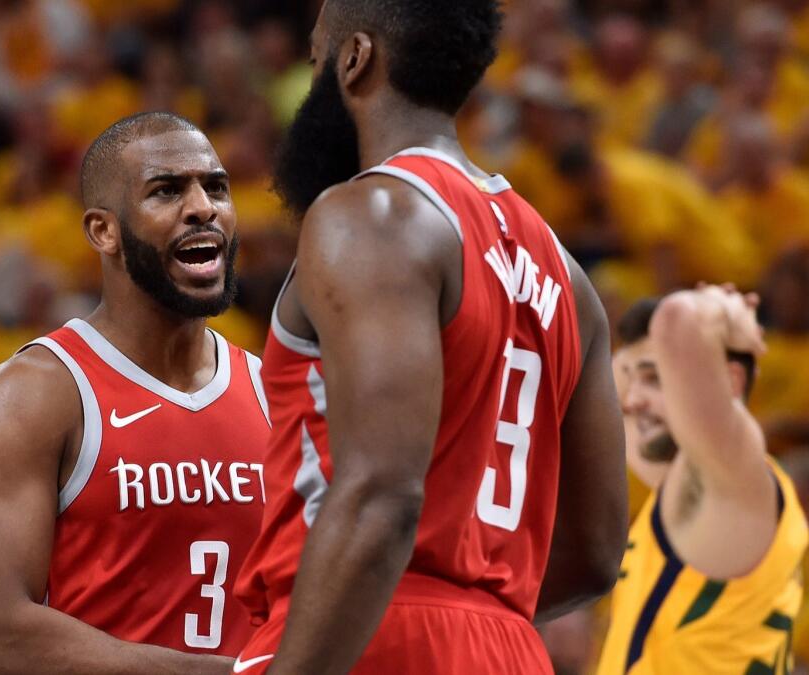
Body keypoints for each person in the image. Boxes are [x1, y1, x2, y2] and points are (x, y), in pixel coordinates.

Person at [233, 1, 628, 672]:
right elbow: (595, 551)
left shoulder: (371, 212)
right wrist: (469, 619)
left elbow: (383, 491)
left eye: (314, 60)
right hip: (508, 645)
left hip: (366, 629)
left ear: (354, 59)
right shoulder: (565, 273)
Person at [0, 112, 271, 674]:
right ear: (104, 231)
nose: (202, 207)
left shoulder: (273, 392)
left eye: (216, 187)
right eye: (167, 191)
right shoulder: (34, 395)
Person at [598, 289, 809, 674]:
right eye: (633, 380)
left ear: (731, 381)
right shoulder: (686, 496)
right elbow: (614, 399)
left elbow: (678, 319)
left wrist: (728, 312)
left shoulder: (729, 478)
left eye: (654, 378)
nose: (633, 401)